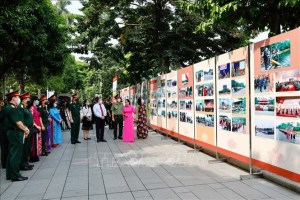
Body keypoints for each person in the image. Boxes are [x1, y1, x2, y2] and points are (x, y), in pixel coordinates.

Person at [4, 91, 30, 182]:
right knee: (16, 155)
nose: (19, 98)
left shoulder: (7, 108)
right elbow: (18, 123)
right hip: (15, 133)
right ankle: (15, 175)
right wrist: (26, 129)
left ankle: (10, 174)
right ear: (13, 98)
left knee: (11, 154)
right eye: (17, 97)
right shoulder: (12, 109)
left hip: (11, 133)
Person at [29, 96, 43, 162]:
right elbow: (31, 119)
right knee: (34, 142)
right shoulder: (31, 108)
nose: (37, 101)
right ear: (34, 101)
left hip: (38, 126)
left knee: (38, 141)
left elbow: (39, 117)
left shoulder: (36, 108)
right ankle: (33, 156)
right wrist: (36, 126)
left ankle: (37, 154)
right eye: (36, 100)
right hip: (34, 127)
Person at [0, 99, 9, 168]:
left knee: (6, 147)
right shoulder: (5, 109)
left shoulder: (4, 109)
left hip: (5, 129)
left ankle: (6, 162)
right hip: (3, 130)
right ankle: (4, 163)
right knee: (4, 147)